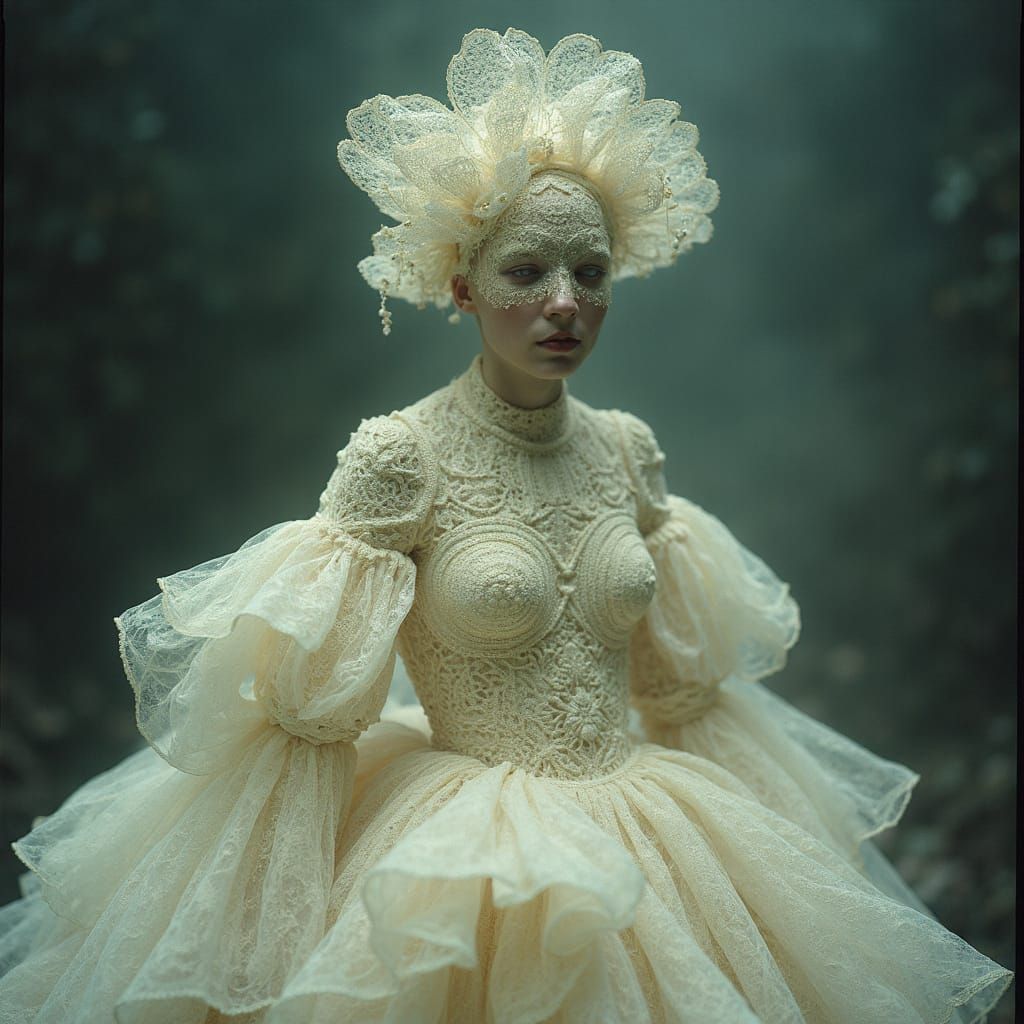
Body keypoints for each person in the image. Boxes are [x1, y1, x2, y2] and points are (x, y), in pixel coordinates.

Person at [0, 27, 1012, 1024]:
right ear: (462, 286)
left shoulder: (628, 451)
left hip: (644, 837)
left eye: (590, 272)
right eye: (526, 272)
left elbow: (679, 692)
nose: (563, 303)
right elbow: (311, 719)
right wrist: (257, 933)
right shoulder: (402, 458)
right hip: (461, 853)